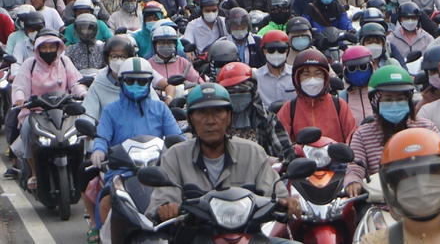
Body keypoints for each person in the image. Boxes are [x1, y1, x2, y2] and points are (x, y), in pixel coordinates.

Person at [146, 83, 299, 224]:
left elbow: (277, 196)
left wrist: (287, 203)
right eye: (202, 113)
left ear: (229, 117)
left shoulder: (253, 153)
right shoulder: (174, 157)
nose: (210, 121)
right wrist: (166, 209)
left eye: (218, 112)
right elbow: (159, 205)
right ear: (190, 120)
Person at [89, 57, 184, 228]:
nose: (136, 85)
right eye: (130, 80)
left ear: (149, 83)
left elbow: (176, 137)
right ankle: (101, 234)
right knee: (105, 202)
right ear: (121, 82)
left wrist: (184, 147)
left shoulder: (161, 108)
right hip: (122, 171)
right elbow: (102, 136)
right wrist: (98, 150)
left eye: (141, 81)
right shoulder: (111, 111)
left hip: (157, 170)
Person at [344, 65, 440, 197]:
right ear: (375, 102)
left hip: (423, 200)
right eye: (388, 99)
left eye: (400, 99)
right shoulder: (362, 135)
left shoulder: (427, 128)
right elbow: (355, 168)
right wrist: (353, 181)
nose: (395, 104)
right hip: (382, 202)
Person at [11, 30, 88, 192]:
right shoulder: (29, 64)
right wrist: (20, 98)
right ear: (37, 49)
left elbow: (75, 83)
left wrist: (82, 92)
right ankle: (34, 172)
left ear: (58, 47)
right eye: (43, 48)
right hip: (37, 112)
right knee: (26, 130)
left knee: (83, 128)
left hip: (63, 111)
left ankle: (83, 166)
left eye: (51, 47)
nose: (48, 51)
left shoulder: (65, 62)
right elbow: (20, 87)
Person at [216, 62, 295, 163]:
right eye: (231, 94)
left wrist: (273, 161)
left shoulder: (267, 119)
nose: (237, 97)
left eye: (242, 92)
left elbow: (286, 153)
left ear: (253, 92)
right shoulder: (214, 122)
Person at [277, 49, 357, 143]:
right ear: (297, 78)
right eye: (306, 74)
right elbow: (281, 142)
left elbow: (353, 138)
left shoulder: (339, 105)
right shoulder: (289, 109)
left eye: (318, 74)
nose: (312, 79)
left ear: (326, 77)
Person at [254, 30, 295, 107]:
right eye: (271, 50)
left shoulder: (296, 74)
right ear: (264, 51)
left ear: (287, 50)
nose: (276, 54)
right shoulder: (256, 78)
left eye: (281, 50)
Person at [339, 46, 376, 124]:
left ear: (371, 67)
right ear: (345, 72)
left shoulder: (378, 93)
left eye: (363, 67)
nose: (358, 72)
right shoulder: (342, 97)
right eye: (352, 68)